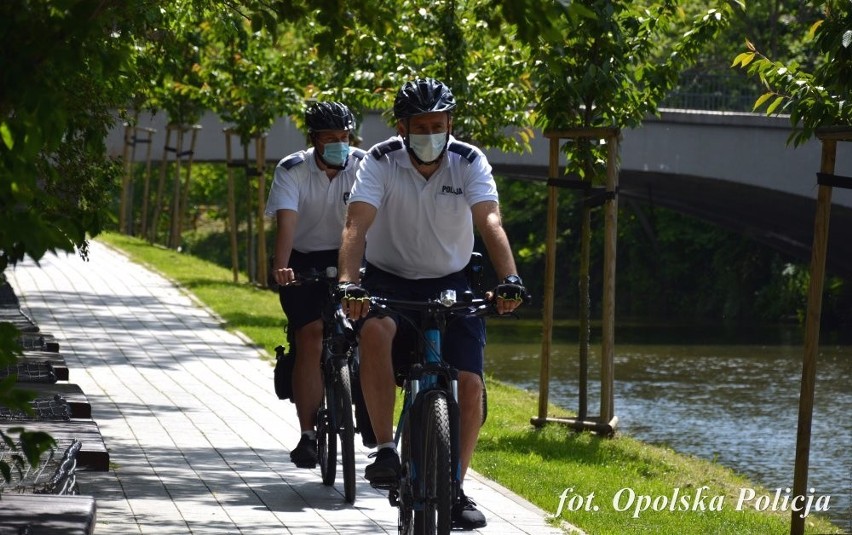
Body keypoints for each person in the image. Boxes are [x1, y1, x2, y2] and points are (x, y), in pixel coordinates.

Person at [337, 78, 526, 530]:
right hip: (389, 279)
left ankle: (455, 487)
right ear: (402, 128)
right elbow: (355, 224)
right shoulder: (381, 160)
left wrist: (511, 278)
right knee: (376, 332)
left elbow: (490, 219)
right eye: (419, 126)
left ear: (450, 124)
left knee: (471, 384)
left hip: (452, 280)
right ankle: (385, 449)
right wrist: (348, 282)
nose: (429, 133)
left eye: (437, 124)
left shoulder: (468, 160)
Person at [265, 101, 365, 468]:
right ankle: (308, 435)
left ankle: (367, 412)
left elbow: (373, 219)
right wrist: (281, 267)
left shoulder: (363, 164)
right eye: (330, 138)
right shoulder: (291, 169)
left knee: (370, 329)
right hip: (303, 261)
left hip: (350, 256)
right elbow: (286, 223)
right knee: (308, 337)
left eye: (345, 137)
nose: (340, 144)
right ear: (314, 140)